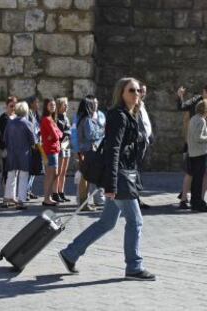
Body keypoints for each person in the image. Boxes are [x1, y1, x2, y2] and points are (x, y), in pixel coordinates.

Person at [58, 77, 156, 281]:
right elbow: (113, 151)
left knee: (106, 223)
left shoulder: (130, 114)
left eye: (138, 91)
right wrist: (111, 184)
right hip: (120, 177)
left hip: (125, 175)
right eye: (131, 90)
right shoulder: (118, 116)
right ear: (121, 93)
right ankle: (134, 267)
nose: (136, 94)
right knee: (135, 221)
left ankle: (71, 253)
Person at [176, 82, 207, 209]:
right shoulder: (196, 101)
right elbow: (181, 107)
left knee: (206, 172)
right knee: (190, 172)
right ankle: (184, 199)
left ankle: (200, 198)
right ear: (204, 91)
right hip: (195, 144)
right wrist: (180, 96)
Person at [3, 101, 35, 209]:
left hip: (12, 152)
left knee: (11, 175)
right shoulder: (28, 124)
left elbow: (5, 138)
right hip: (24, 153)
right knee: (23, 177)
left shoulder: (10, 122)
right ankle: (21, 200)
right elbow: (33, 140)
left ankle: (8, 197)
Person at [77, 96, 105, 211]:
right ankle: (83, 204)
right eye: (93, 104)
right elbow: (91, 135)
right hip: (88, 151)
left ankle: (84, 203)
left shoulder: (83, 118)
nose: (95, 106)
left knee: (86, 178)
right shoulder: (87, 119)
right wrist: (103, 130)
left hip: (86, 150)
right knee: (85, 178)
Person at [40, 98, 63, 206]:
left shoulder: (51, 119)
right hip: (50, 150)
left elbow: (60, 134)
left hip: (54, 149)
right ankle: (46, 198)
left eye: (54, 105)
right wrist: (55, 135)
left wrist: (56, 135)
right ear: (46, 106)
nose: (53, 106)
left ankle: (47, 197)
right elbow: (55, 135)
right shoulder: (46, 119)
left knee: (54, 174)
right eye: (50, 105)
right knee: (51, 174)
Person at [136, 83, 153, 210]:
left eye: (145, 91)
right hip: (138, 143)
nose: (143, 93)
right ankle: (135, 199)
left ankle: (135, 198)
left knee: (138, 171)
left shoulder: (142, 105)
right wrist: (142, 136)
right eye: (141, 91)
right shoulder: (135, 106)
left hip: (144, 142)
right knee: (134, 171)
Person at [55, 97, 71, 203]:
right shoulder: (56, 118)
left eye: (67, 104)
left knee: (64, 172)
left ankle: (61, 192)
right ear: (59, 106)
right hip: (60, 145)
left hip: (66, 145)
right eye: (64, 104)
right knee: (58, 171)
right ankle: (55, 192)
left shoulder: (66, 117)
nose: (66, 107)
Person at [0, 97, 17, 189]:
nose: (13, 108)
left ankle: (11, 195)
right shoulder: (4, 117)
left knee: (13, 173)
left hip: (15, 148)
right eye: (11, 106)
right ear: (6, 106)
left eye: (14, 106)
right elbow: (6, 133)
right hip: (6, 148)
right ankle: (5, 196)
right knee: (6, 171)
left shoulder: (16, 117)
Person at [26, 96, 42, 200]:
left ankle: (29, 189)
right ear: (31, 104)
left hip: (37, 143)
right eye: (36, 102)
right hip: (31, 144)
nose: (38, 105)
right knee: (29, 169)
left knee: (35, 169)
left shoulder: (36, 114)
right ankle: (25, 191)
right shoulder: (28, 114)